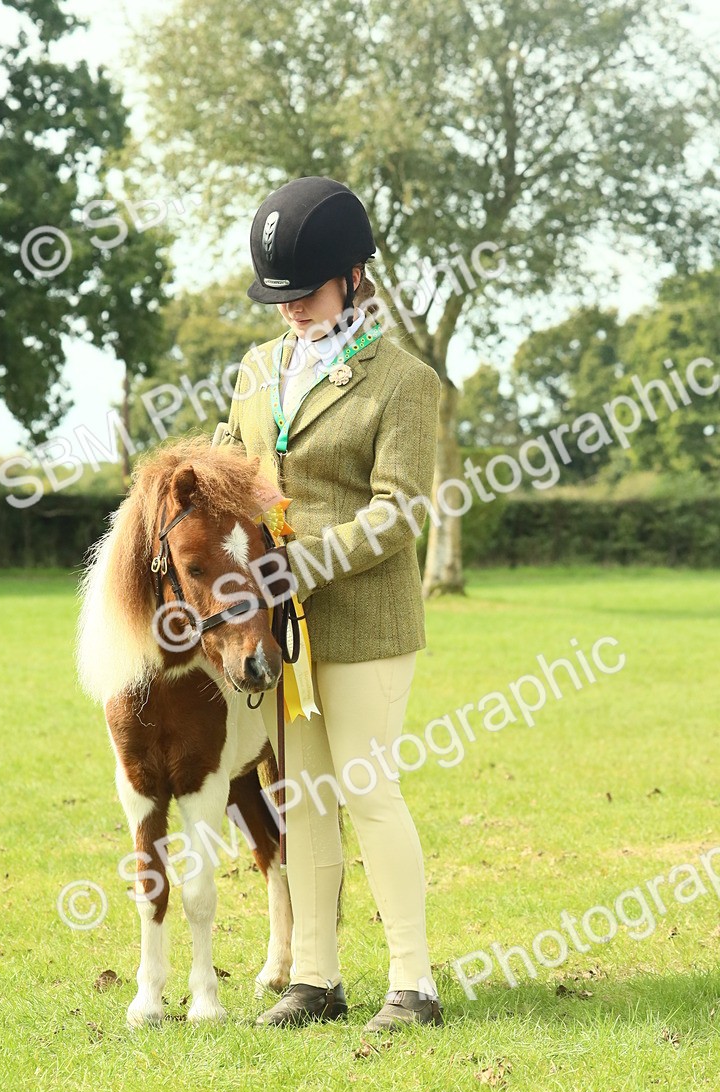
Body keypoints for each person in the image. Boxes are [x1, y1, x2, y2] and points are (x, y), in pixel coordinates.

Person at [216, 176, 443, 1031]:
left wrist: (301, 565)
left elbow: (399, 511)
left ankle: (414, 984)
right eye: (278, 294)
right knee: (302, 797)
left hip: (365, 623)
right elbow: (232, 467)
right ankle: (315, 977)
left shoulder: (402, 380)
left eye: (305, 291)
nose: (290, 308)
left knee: (367, 791)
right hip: (280, 629)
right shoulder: (256, 370)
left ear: (353, 276)